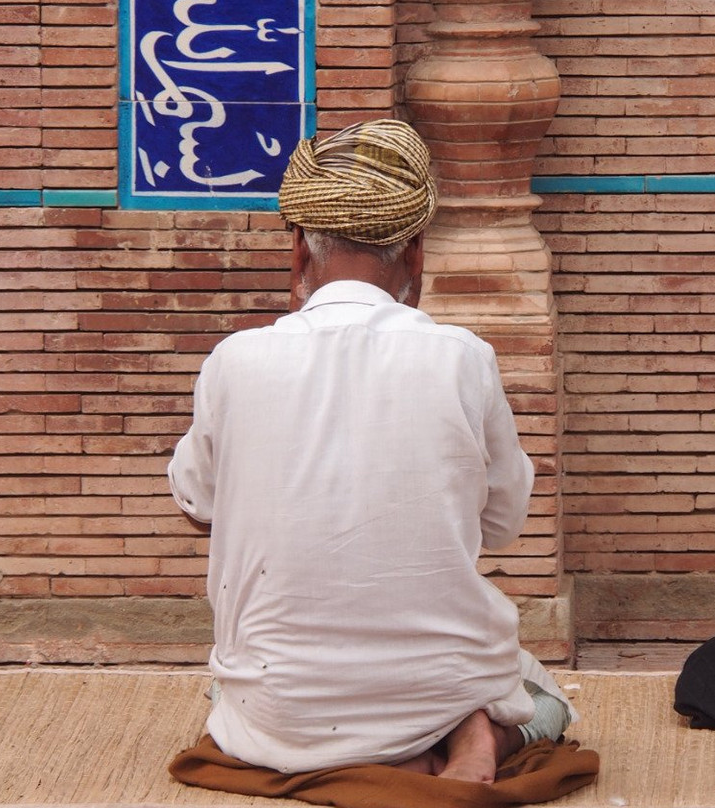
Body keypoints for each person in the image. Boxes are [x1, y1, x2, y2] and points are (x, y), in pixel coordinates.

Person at [167, 119, 576, 784]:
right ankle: (473, 734)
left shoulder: (235, 360)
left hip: (283, 705)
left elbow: (197, 507)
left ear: (299, 250)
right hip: (439, 683)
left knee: (227, 692)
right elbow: (504, 525)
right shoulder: (463, 358)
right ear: (415, 253)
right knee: (546, 698)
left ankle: (365, 747)